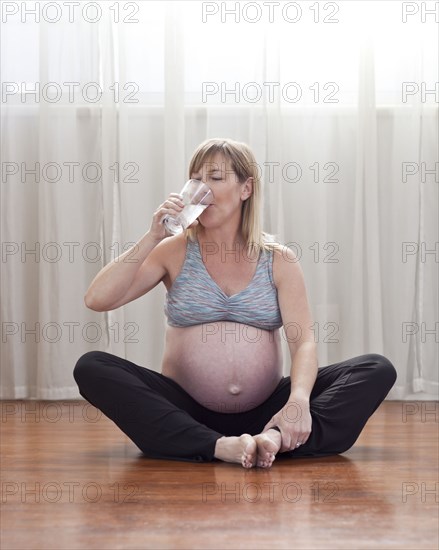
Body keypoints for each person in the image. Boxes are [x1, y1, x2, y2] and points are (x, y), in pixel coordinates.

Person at [73, 138, 397, 468]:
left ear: (246, 189)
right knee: (92, 367)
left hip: (269, 406)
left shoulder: (279, 259)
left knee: (375, 369)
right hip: (186, 409)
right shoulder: (172, 250)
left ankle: (273, 437)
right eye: (196, 179)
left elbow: (304, 343)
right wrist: (152, 236)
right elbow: (97, 299)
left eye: (215, 177)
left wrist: (298, 401)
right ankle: (217, 445)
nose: (201, 189)